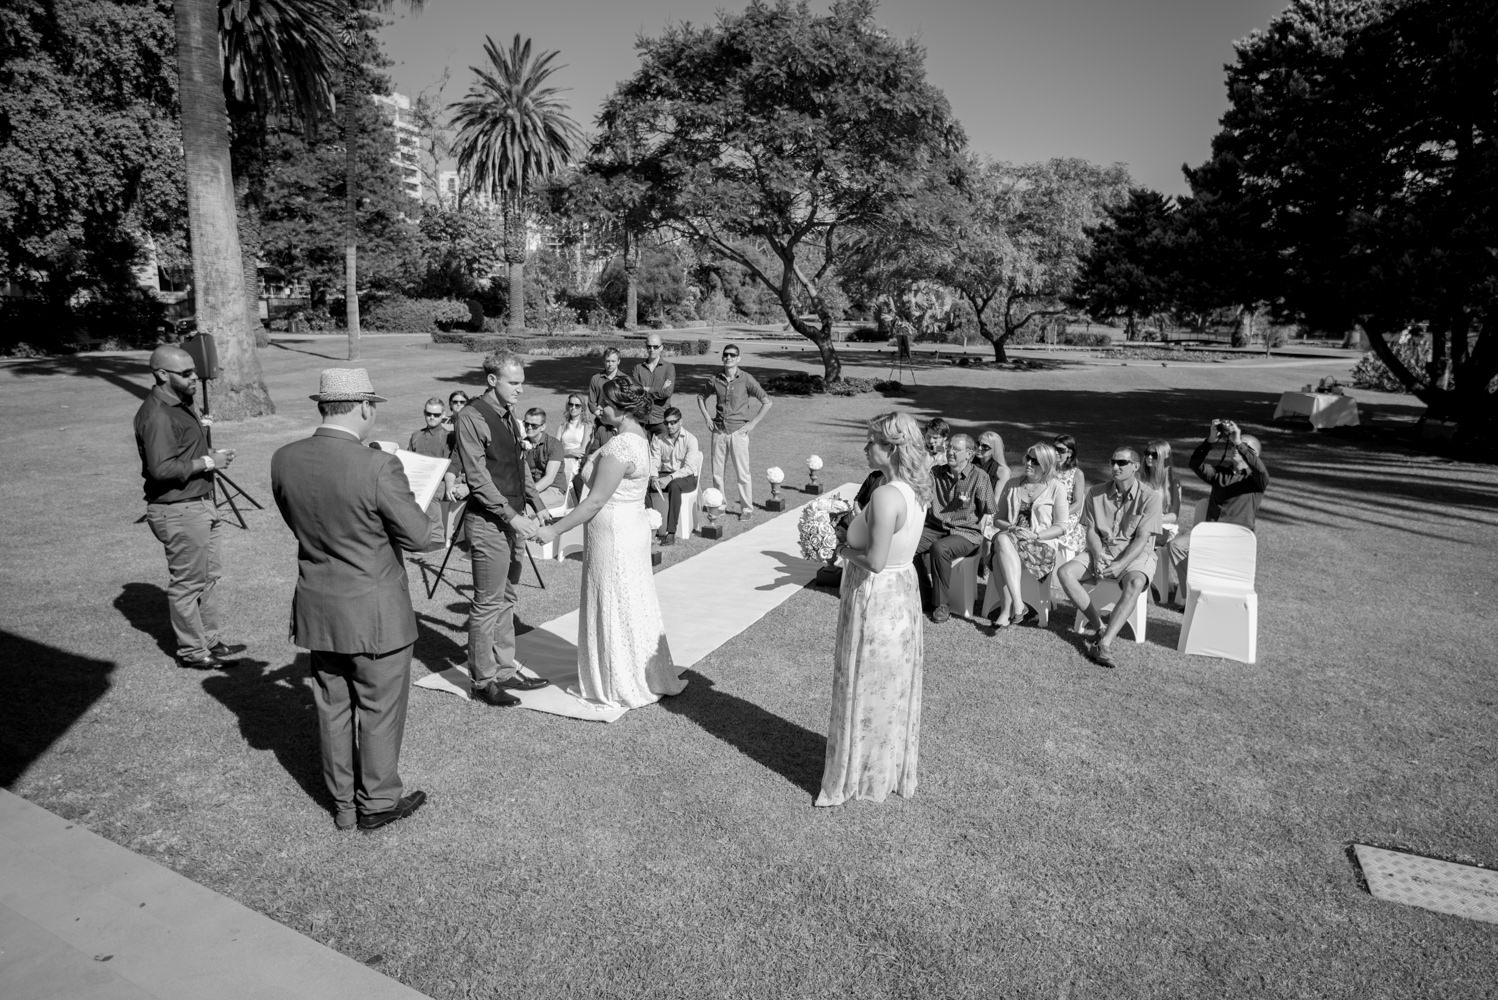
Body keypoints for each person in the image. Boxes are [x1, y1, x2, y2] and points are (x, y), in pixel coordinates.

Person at [270, 368, 439, 831]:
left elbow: (300, 520)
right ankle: (379, 801)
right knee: (380, 711)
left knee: (332, 708)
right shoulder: (379, 466)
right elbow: (422, 536)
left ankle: (343, 803)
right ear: (365, 406)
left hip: (319, 606)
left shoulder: (284, 458)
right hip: (376, 612)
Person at [533, 380, 687, 710]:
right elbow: (597, 482)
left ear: (624, 408)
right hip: (626, 529)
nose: (598, 408)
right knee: (630, 601)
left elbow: (593, 502)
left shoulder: (620, 447)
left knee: (614, 601)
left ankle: (618, 681)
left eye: (604, 404)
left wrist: (554, 531)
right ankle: (636, 673)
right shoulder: (636, 440)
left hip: (615, 534)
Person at [817, 412, 931, 807]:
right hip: (904, 591)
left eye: (871, 442)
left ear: (892, 449)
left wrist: (840, 549)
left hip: (877, 594)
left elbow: (877, 560)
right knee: (890, 685)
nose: (865, 448)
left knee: (865, 679)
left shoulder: (885, 494)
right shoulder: (916, 488)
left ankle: (861, 771)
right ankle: (881, 765)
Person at [133, 344, 244, 670]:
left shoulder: (179, 403)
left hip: (198, 505)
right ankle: (192, 653)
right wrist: (210, 460)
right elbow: (161, 469)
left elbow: (181, 453)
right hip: (178, 510)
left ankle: (210, 641)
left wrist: (208, 457)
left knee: (208, 578)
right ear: (162, 374)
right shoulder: (157, 414)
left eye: (195, 371)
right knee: (188, 585)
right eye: (187, 374)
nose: (195, 378)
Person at [453, 351, 551, 708]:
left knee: (508, 599)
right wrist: (512, 517)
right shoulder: (470, 417)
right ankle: (482, 681)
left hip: (512, 520)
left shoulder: (511, 417)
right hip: (488, 522)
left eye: (522, 382)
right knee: (487, 603)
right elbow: (478, 479)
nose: (521, 390)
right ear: (492, 380)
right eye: (514, 382)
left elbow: (519, 467)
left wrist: (538, 506)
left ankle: (506, 671)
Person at [1057, 447, 1161, 668]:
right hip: (1102, 550)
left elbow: (1142, 539)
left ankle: (1104, 644)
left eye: (1122, 463)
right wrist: (1097, 554)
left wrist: (1120, 564)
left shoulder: (1150, 497)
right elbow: (1091, 531)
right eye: (1113, 461)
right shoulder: (1095, 493)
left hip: (1135, 555)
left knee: (1136, 581)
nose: (1115, 467)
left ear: (1135, 466)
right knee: (1065, 573)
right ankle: (1098, 626)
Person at [1166, 420, 1269, 606]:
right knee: (1176, 546)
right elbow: (1195, 463)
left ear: (1254, 455)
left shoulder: (1256, 481)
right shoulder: (1220, 474)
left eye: (1245, 447)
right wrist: (1211, 439)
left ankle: (1200, 596)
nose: (1237, 448)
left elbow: (1261, 469)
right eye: (1236, 446)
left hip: (1237, 539)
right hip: (1210, 534)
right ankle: (1192, 595)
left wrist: (1239, 442)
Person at [986, 442, 1073, 628]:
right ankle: (1014, 607)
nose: (1029, 463)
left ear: (1047, 465)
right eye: (1028, 458)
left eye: (1035, 461)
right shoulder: (1012, 484)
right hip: (1010, 541)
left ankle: (1010, 608)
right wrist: (1011, 527)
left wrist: (1036, 536)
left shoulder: (1057, 488)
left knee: (999, 549)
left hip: (1040, 545)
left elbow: (1061, 526)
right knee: (1002, 540)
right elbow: (997, 519)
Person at [914, 433, 995, 623]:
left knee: (940, 548)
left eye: (955, 449)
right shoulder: (936, 473)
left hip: (966, 533)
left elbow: (989, 509)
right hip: (935, 527)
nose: (950, 452)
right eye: (949, 447)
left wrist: (972, 518)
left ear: (969, 454)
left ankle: (941, 605)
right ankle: (925, 595)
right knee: (909, 544)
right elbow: (923, 496)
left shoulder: (979, 477)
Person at [696, 343, 772, 519]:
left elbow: (767, 402)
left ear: (738, 358)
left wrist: (752, 424)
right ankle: (720, 505)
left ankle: (746, 508)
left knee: (742, 473)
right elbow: (701, 397)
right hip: (719, 431)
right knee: (717, 473)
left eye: (732, 355)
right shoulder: (715, 379)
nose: (728, 357)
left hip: (738, 432)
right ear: (723, 357)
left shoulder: (747, 379)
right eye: (726, 355)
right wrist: (707, 418)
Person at [648, 405, 701, 545]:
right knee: (644, 484)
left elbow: (689, 468)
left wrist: (670, 477)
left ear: (680, 422)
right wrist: (653, 477)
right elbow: (654, 461)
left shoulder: (691, 440)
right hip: (664, 474)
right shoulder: (658, 439)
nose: (669, 426)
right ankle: (650, 526)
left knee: (674, 486)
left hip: (687, 477)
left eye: (673, 422)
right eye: (666, 423)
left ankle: (671, 532)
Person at [522, 407, 566, 510]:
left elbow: (549, 479)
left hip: (553, 489)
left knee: (527, 508)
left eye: (534, 425)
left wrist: (526, 493)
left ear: (543, 427)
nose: (529, 427)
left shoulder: (554, 444)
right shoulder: (522, 444)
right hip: (532, 488)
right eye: (526, 424)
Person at [632, 333, 676, 436]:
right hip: (642, 420)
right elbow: (635, 394)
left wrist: (645, 390)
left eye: (655, 346)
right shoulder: (638, 369)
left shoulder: (669, 368)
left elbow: (667, 393)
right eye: (649, 346)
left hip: (661, 420)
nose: (652, 349)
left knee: (663, 451)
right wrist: (659, 389)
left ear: (661, 347)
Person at [1053, 433, 1088, 554]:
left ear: (1070, 453)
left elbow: (1078, 503)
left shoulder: (1076, 474)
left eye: (1061, 450)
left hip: (1068, 514)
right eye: (1054, 449)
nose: (1056, 453)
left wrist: (1059, 514)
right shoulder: (1047, 470)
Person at [557, 392, 593, 499]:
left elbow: (582, 451)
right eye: (571, 404)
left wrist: (564, 451)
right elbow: (555, 450)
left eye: (577, 405)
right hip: (562, 463)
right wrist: (571, 452)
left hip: (577, 465)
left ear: (582, 408)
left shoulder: (587, 425)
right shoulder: (563, 426)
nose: (573, 408)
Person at [587, 348, 623, 453]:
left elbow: (626, 404)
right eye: (607, 361)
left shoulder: (624, 379)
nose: (610, 364)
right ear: (604, 361)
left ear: (618, 361)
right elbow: (591, 403)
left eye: (613, 361)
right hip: (600, 423)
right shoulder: (596, 379)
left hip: (618, 425)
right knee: (597, 455)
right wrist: (602, 417)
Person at [1141, 439, 1182, 523]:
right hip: (1140, 525)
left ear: (1164, 458)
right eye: (1147, 453)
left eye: (1154, 455)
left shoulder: (1174, 484)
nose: (1149, 457)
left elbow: (1174, 516)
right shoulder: (1139, 480)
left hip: (1162, 525)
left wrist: (1152, 520)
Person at [976, 430, 1011, 497]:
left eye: (985, 446)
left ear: (995, 449)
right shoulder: (970, 463)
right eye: (978, 444)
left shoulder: (1002, 472)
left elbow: (996, 502)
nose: (979, 448)